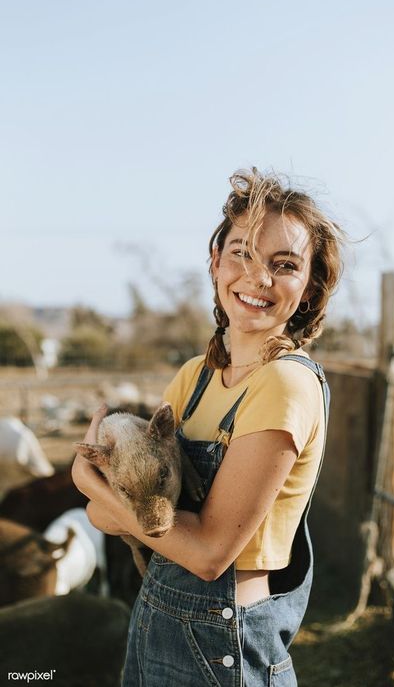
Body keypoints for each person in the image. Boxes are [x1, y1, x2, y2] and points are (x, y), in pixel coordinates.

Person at [72, 168, 344, 686]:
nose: (257, 277)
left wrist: (91, 483)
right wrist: (113, 503)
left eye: (284, 264)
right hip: (155, 616)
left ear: (308, 289)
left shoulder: (285, 385)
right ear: (216, 263)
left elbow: (209, 555)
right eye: (241, 252)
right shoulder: (194, 378)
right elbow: (102, 519)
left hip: (223, 643)